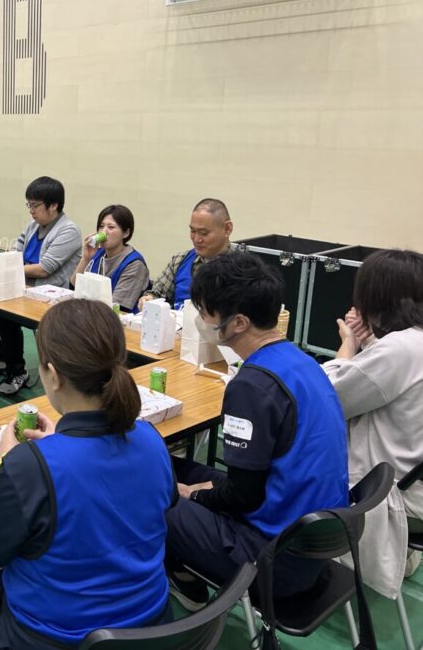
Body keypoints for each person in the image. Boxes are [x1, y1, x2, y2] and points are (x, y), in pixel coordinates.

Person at [0, 298, 176, 649]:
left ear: (53, 375)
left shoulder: (29, 466)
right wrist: (58, 445)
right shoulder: (151, 438)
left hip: (56, 639)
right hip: (152, 627)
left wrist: (5, 463)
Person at [164, 251, 349, 608]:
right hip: (311, 541)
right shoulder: (302, 361)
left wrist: (196, 495)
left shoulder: (251, 385)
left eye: (204, 311)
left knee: (149, 496)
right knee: (173, 468)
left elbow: (243, 497)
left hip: (272, 558)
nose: (199, 319)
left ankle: (186, 583)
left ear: (238, 323)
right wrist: (200, 488)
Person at [323, 249, 423, 597]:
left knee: (294, 471)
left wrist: (349, 344)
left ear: (375, 297)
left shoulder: (400, 350)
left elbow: (330, 395)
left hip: (398, 501)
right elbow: (388, 375)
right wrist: (370, 341)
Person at [0, 176, 82, 395]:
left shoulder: (68, 230)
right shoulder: (33, 226)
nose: (31, 211)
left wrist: (7, 267)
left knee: (5, 313)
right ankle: (1, 355)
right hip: (22, 288)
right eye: (29, 205)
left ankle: (17, 371)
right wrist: (7, 265)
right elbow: (15, 252)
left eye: (35, 205)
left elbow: (45, 269)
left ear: (54, 205)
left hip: (49, 297)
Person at [140, 198, 233, 311]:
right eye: (193, 231)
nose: (197, 239)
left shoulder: (244, 270)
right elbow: (157, 294)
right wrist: (149, 299)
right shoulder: (180, 261)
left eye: (204, 233)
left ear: (227, 229)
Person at [70, 204, 149, 313]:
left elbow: (118, 307)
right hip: (91, 312)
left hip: (114, 318)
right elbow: (74, 286)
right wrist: (85, 258)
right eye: (101, 226)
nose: (104, 232)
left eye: (111, 227)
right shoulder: (97, 253)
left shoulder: (134, 264)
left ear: (126, 233)